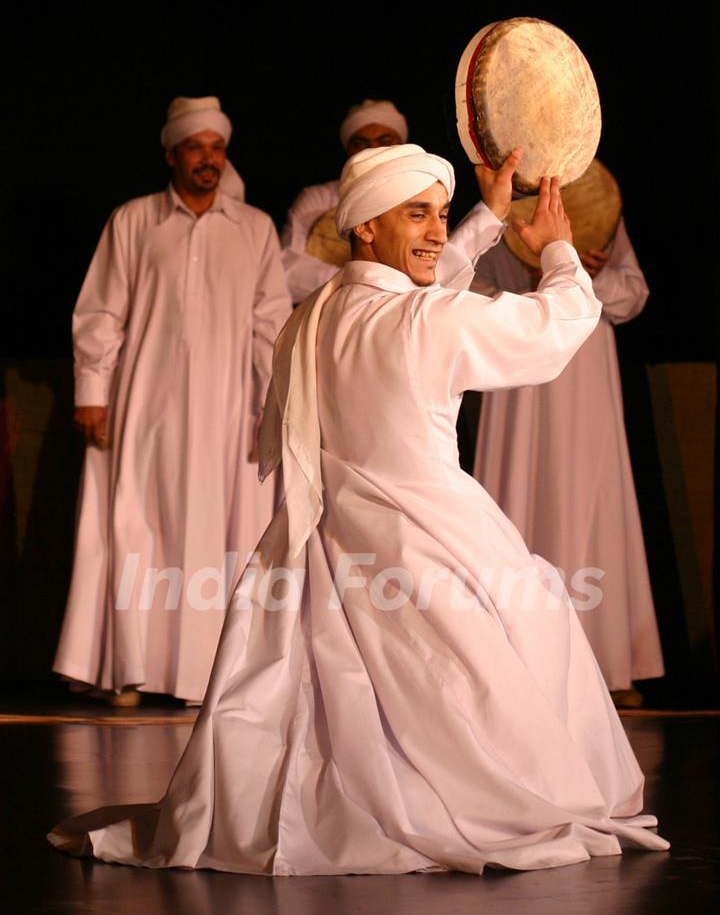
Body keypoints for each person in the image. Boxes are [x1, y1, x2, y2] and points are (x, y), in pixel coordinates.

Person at [49, 144, 668, 873]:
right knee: (527, 631)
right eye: (419, 214)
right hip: (428, 534)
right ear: (365, 227)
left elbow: (423, 295)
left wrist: (488, 218)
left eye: (441, 214)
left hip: (334, 546)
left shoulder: (313, 317)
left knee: (348, 693)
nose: (437, 230)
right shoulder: (420, 320)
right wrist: (560, 251)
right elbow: (550, 330)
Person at [52, 96, 292, 705]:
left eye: (217, 148)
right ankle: (132, 669)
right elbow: (101, 310)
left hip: (227, 405)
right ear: (172, 154)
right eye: (196, 147)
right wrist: (93, 392)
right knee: (140, 522)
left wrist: (273, 404)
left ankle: (204, 676)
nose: (208, 159)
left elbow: (271, 324)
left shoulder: (255, 227)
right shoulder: (133, 220)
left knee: (220, 529)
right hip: (145, 402)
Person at [471, 217, 664, 703]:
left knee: (589, 494)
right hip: (521, 363)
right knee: (520, 492)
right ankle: (521, 660)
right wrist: (532, 290)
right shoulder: (500, 213)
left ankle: (604, 661)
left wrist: (577, 276)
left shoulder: (596, 211)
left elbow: (633, 294)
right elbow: (466, 289)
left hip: (583, 361)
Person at [280, 99, 408, 303]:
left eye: (384, 141)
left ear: (401, 146)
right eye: (360, 143)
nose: (372, 150)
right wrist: (359, 281)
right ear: (348, 149)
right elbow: (288, 271)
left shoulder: (416, 198)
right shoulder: (317, 199)